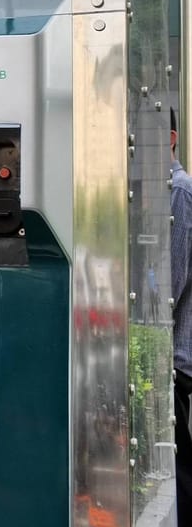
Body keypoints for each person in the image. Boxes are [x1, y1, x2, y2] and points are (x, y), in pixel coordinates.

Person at [170, 109, 192, 526]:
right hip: (175, 354)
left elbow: (172, 280)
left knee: (179, 469)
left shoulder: (177, 190)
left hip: (177, 356)